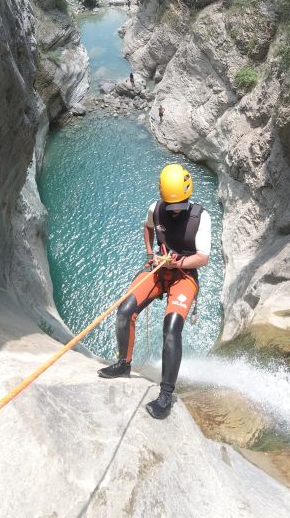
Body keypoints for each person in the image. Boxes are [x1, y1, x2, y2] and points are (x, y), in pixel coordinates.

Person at [98, 163, 211, 419]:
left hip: (183, 274)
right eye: (171, 205)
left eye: (179, 205)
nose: (174, 210)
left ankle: (165, 395)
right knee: (125, 310)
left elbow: (203, 257)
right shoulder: (156, 209)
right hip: (159, 269)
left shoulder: (200, 218)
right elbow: (147, 227)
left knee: (171, 328)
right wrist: (151, 254)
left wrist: (179, 262)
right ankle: (123, 364)